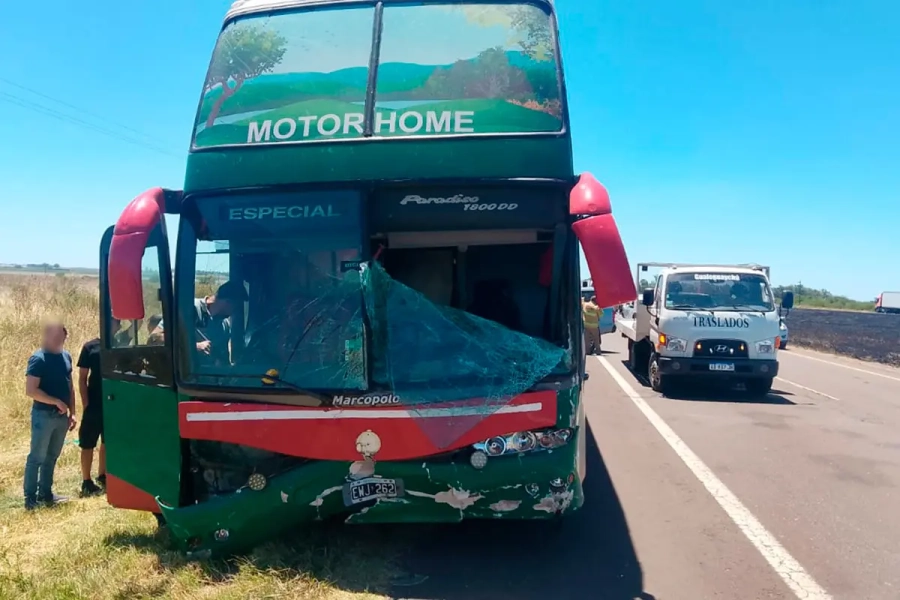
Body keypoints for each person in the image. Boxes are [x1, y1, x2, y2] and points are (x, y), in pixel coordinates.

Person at [24, 322, 76, 510]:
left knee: (52, 456)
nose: (58, 341)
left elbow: (70, 387)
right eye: (55, 337)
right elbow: (31, 390)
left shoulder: (66, 356)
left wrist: (73, 413)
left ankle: (46, 494)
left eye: (61, 337)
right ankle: (30, 499)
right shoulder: (38, 359)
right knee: (37, 457)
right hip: (43, 416)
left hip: (62, 417)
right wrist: (55, 402)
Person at [76, 329, 107, 497]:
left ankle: (103, 475)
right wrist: (86, 403)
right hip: (94, 402)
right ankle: (86, 481)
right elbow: (82, 378)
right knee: (88, 442)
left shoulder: (118, 345)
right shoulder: (90, 347)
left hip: (112, 402)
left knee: (107, 441)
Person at [195, 281, 247, 365]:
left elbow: (224, 361)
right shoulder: (191, 309)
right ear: (228, 302)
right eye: (235, 308)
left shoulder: (225, 326)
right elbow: (170, 341)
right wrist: (196, 347)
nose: (233, 312)